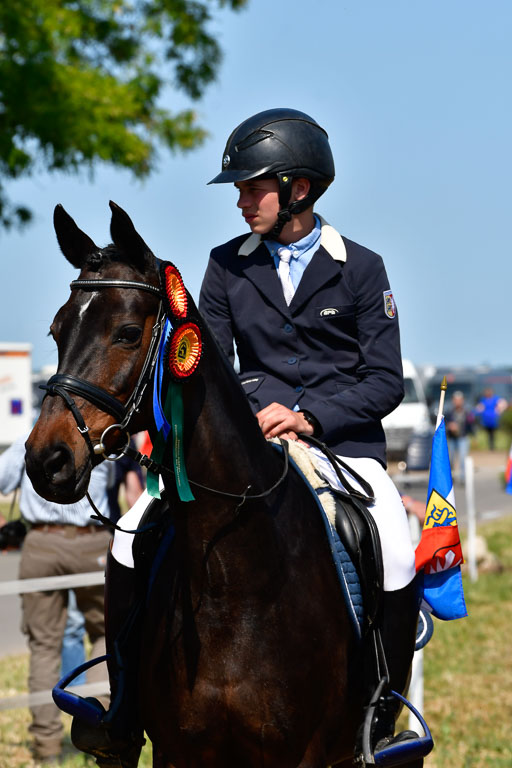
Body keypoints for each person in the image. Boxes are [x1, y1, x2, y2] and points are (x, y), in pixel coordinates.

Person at [197, 108, 421, 760]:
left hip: (341, 449)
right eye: (238, 190)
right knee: (138, 532)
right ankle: (125, 709)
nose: (240, 201)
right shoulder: (223, 267)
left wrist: (310, 417)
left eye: (251, 187)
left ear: (298, 189)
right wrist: (250, 413)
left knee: (396, 546)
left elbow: (386, 384)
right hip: (251, 447)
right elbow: (210, 369)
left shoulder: (361, 268)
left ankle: (384, 711)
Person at [0, 433, 112, 763]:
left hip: (41, 543)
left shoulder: (28, 437)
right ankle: (96, 732)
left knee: (43, 646)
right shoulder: (102, 434)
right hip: (91, 540)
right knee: (108, 633)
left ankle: (47, 748)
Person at [445, 390, 475, 483]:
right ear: (453, 401)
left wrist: (474, 436)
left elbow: (471, 425)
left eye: (459, 400)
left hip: (463, 438)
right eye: (456, 400)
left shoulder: (467, 412)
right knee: (451, 459)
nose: (458, 402)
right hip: (452, 439)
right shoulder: (449, 413)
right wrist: (449, 426)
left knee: (463, 458)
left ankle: (463, 478)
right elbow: (443, 424)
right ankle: (451, 477)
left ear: (462, 401)